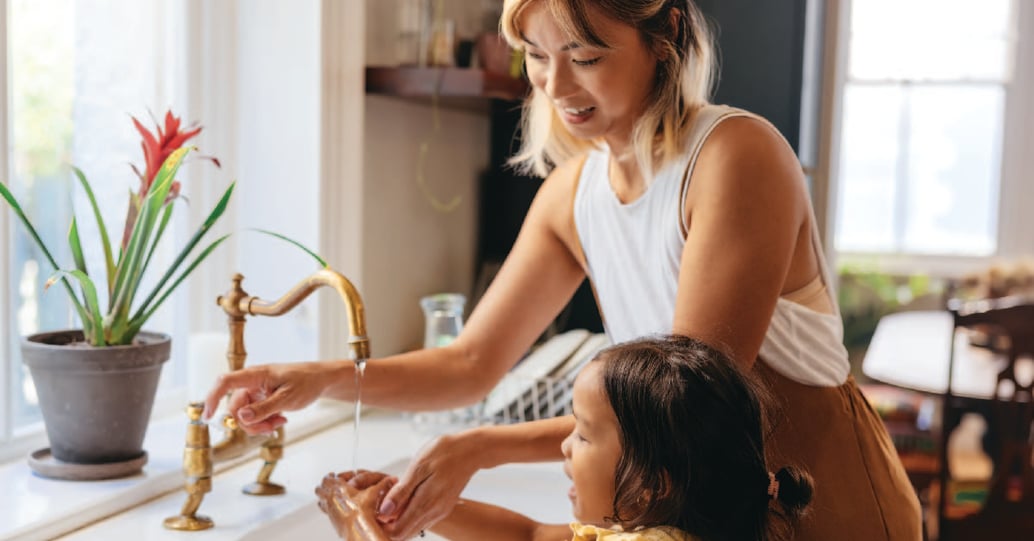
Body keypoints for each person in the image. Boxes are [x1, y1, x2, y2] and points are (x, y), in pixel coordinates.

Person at [204, 0, 923, 539]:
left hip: (822, 495)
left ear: (664, 35)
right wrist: (324, 377)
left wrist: (479, 445)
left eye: (584, 55)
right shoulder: (572, 195)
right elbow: (471, 361)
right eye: (537, 56)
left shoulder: (735, 158)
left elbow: (679, 409)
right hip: (683, 513)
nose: (556, 85)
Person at [316, 336, 814, 541]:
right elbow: (530, 538)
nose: (563, 444)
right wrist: (423, 509)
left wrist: (360, 525)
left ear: (651, 483)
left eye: (582, 432)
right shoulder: (651, 525)